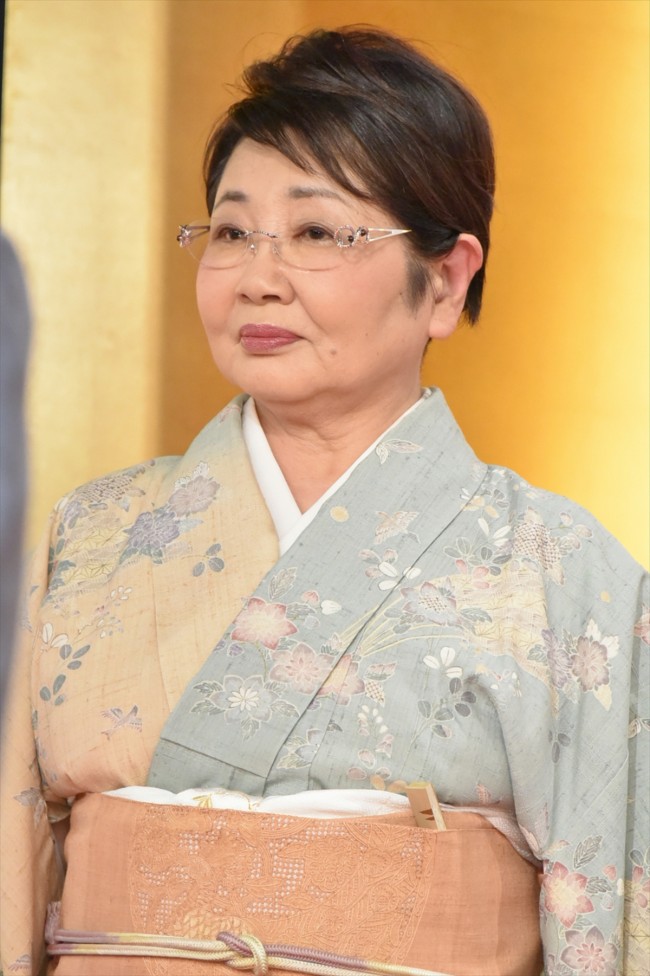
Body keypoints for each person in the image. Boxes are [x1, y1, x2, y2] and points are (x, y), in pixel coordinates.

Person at [1, 26, 648, 976]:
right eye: (231, 233)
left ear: (446, 280)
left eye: (316, 233)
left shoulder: (561, 573)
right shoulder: (91, 536)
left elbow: (614, 929)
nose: (257, 279)